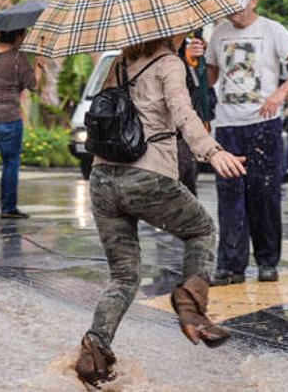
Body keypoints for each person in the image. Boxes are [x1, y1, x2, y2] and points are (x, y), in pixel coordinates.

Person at [76, 35, 247, 386]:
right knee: (201, 230)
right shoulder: (170, 63)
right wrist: (213, 152)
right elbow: (183, 113)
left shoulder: (118, 63)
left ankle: (94, 351)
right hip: (147, 175)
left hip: (103, 177)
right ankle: (190, 308)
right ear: (169, 30)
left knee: (124, 276)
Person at [206, 0, 288, 285]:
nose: (236, 9)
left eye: (241, 1)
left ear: (254, 0)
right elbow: (210, 80)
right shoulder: (218, 33)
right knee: (230, 197)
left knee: (264, 195)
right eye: (229, 2)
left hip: (263, 125)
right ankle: (230, 265)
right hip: (227, 126)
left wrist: (281, 94)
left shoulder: (272, 30)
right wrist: (195, 61)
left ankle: (268, 262)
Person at [0, 29, 38, 219]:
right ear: (18, 37)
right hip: (9, 119)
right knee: (10, 163)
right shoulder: (17, 59)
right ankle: (8, 207)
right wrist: (40, 64)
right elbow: (34, 85)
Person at [176, 34, 214, 196]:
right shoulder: (154, 48)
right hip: (161, 127)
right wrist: (186, 61)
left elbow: (202, 87)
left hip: (185, 126)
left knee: (185, 173)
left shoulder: (188, 45)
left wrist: (197, 63)